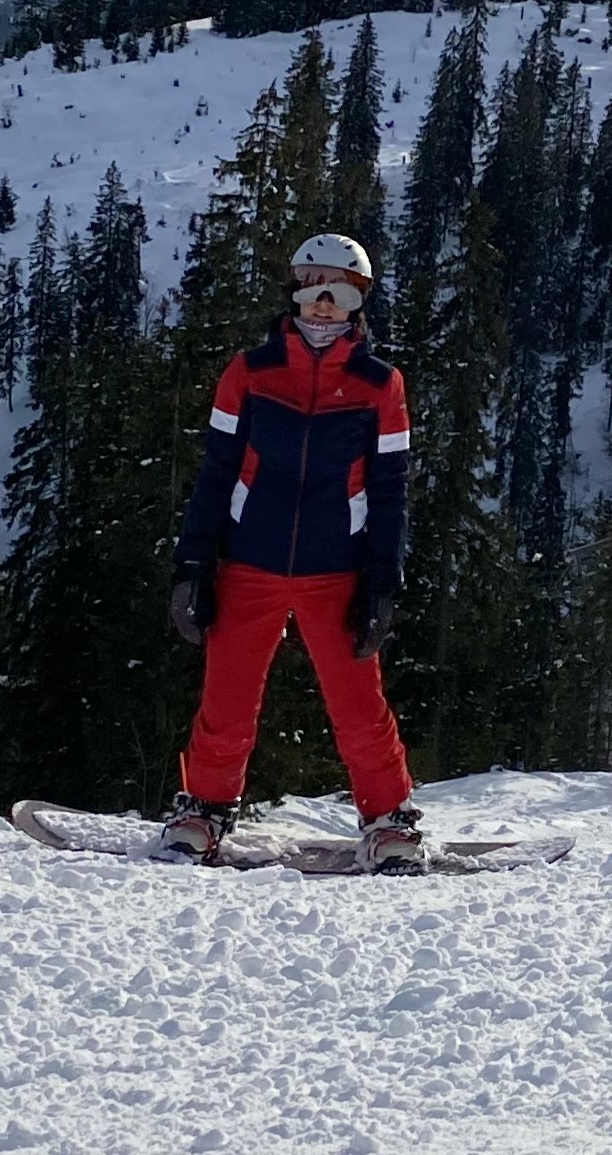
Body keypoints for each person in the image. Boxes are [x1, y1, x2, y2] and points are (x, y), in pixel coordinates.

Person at [156, 233, 421, 873]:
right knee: (227, 698)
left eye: (341, 292)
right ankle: (203, 810)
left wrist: (382, 582)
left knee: (358, 706)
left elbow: (390, 490)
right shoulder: (250, 373)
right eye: (312, 287)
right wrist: (193, 565)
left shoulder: (379, 385)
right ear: (294, 291)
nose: (324, 305)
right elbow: (216, 473)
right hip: (250, 563)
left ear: (360, 302)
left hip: (337, 571)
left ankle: (389, 820)